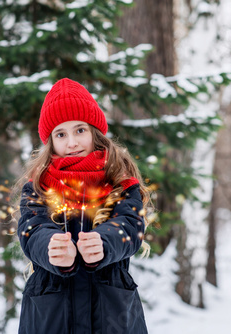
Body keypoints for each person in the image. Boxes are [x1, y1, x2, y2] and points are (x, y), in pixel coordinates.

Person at [14, 78, 151, 334]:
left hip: (110, 310)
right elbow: (31, 230)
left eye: (79, 130)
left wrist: (104, 242)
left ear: (94, 132)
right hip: (51, 311)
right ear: (51, 141)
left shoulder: (119, 181)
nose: (72, 143)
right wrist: (51, 247)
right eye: (61, 134)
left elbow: (131, 225)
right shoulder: (38, 187)